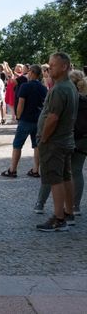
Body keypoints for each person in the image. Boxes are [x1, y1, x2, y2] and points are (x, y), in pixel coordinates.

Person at [35, 52, 79, 231]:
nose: (49, 67)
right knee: (66, 177)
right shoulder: (70, 86)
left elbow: (52, 118)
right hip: (65, 140)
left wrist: (44, 138)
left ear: (64, 66)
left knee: (55, 179)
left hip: (54, 142)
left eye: (53, 64)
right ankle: (69, 213)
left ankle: (59, 218)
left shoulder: (60, 89)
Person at [0, 65, 47, 179]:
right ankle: (36, 170)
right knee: (36, 146)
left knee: (17, 145)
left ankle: (13, 169)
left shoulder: (25, 86)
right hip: (38, 119)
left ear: (32, 73)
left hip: (26, 119)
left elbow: (21, 102)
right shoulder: (43, 88)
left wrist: (18, 116)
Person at [69, 70, 87, 215]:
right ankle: (76, 206)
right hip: (84, 139)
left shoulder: (71, 98)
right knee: (78, 171)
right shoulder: (85, 98)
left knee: (66, 173)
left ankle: (67, 207)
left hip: (72, 138)